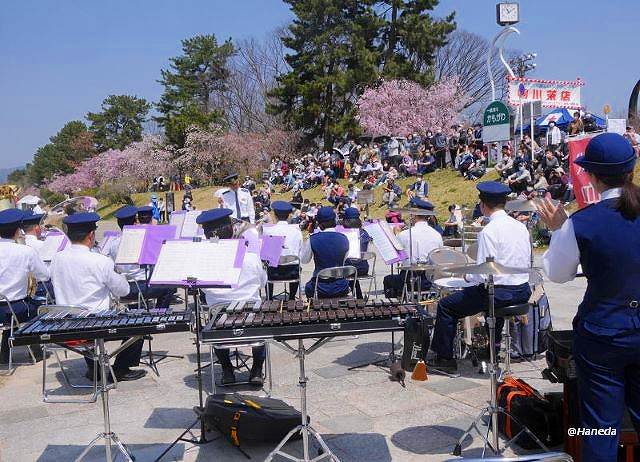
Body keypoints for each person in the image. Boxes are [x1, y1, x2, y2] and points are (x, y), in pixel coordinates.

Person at [538, 133, 640, 462]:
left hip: (602, 334)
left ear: (592, 176)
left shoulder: (581, 222)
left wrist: (558, 230)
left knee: (600, 427)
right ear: (631, 170)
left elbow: (557, 274)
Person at [428, 182, 531, 374]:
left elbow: (483, 274)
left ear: (483, 204)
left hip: (500, 294)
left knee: (446, 306)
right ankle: (493, 349)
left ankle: (444, 359)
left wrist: (466, 276)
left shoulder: (489, 231)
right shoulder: (520, 227)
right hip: (523, 290)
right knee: (490, 301)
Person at [50, 212, 145, 382]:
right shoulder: (100, 261)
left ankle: (94, 368)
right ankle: (120, 369)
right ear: (91, 235)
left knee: (85, 314)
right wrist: (120, 276)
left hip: (65, 323)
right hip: (94, 325)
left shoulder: (57, 258)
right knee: (140, 326)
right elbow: (124, 291)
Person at [197, 209, 267, 385]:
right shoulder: (251, 257)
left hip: (220, 322)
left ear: (206, 235)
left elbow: (203, 291)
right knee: (261, 321)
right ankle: (257, 369)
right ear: (231, 229)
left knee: (213, 320)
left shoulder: (203, 261)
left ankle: (227, 370)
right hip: (252, 320)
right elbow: (262, 283)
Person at [0, 209, 49, 363]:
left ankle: (5, 354)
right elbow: (44, 276)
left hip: (5, 308)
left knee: (10, 316)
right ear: (17, 230)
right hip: (16, 307)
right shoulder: (25, 251)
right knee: (37, 307)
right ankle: (36, 351)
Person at [102, 206, 175, 308]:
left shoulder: (113, 243)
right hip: (139, 286)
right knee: (169, 288)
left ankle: (137, 308)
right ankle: (159, 316)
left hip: (122, 285)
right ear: (135, 222)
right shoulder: (142, 239)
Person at [383, 199, 443, 299]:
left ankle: (401, 306)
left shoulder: (405, 234)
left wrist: (396, 234)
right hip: (429, 280)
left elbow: (396, 253)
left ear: (414, 215)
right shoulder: (437, 235)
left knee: (388, 280)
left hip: (409, 279)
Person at [300, 207, 351, 298]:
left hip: (319, 287)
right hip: (341, 286)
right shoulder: (344, 238)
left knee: (307, 288)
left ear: (319, 223)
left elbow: (304, 260)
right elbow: (345, 258)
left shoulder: (312, 239)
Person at [264, 201, 303, 300]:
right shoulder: (297, 232)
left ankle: (269, 297)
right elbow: (300, 254)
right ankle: (292, 297)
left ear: (275, 215)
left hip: (273, 273)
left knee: (266, 266)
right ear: (289, 216)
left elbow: (265, 256)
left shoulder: (268, 231)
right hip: (292, 272)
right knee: (297, 264)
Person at [341, 207, 373, 299]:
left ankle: (344, 293)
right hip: (363, 268)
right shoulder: (364, 233)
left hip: (348, 269)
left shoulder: (343, 235)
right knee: (354, 266)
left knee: (346, 266)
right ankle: (359, 296)